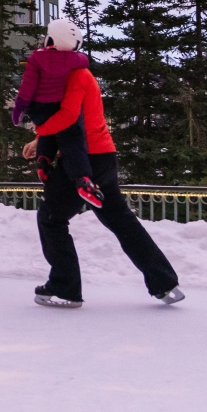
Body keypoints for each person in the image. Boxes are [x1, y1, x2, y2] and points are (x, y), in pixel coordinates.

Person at [21, 65, 183, 309]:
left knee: (51, 218)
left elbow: (68, 118)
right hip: (104, 155)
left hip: (82, 160)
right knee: (120, 220)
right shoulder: (82, 75)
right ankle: (164, 282)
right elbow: (77, 117)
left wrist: (43, 137)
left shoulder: (70, 78)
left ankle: (65, 288)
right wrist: (40, 140)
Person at [12, 19, 98, 205]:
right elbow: (84, 59)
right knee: (71, 138)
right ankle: (83, 179)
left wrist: (19, 108)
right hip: (59, 110)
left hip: (37, 108)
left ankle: (44, 159)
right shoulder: (75, 65)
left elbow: (27, 87)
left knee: (50, 128)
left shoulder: (35, 58)